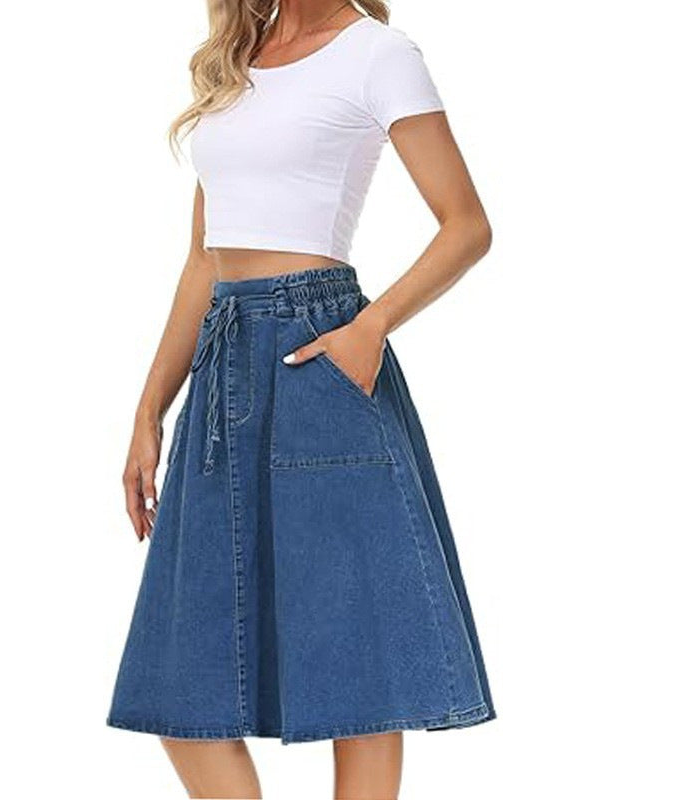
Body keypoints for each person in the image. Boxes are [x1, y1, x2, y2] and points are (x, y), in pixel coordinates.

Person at [107, 2, 496, 797]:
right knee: (183, 683)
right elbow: (202, 261)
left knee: (357, 668)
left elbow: (466, 225)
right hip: (222, 361)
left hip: (318, 348)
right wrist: (150, 410)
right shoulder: (236, 57)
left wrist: (372, 326)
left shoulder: (379, 53)